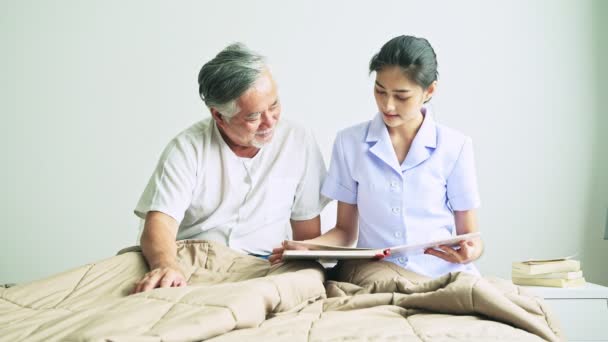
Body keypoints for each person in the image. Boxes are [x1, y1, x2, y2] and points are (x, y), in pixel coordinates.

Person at [270, 35, 483, 278]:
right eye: (380, 91)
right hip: (377, 275)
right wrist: (308, 247)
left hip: (441, 275)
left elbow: (471, 236)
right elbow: (345, 232)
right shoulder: (349, 143)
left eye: (402, 96)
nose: (388, 105)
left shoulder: (455, 146)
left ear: (429, 90)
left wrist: (470, 251)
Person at [132, 43, 329, 293]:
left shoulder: (299, 140)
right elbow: (159, 224)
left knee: (308, 278)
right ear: (218, 116)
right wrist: (166, 265)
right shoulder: (187, 148)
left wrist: (306, 262)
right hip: (193, 262)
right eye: (253, 117)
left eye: (274, 105)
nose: (270, 122)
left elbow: (307, 236)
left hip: (265, 267)